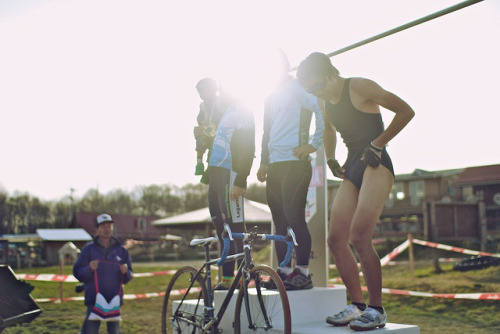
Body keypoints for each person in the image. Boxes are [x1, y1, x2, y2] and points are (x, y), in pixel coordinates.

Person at [297, 52, 414, 331]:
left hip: (376, 163)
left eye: (317, 86)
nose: (315, 92)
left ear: (330, 73)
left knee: (360, 236)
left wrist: (378, 144)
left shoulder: (359, 86)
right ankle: (357, 305)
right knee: (336, 238)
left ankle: (377, 309)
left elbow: (406, 111)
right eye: (310, 90)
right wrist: (330, 159)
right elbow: (327, 129)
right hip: (352, 166)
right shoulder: (324, 99)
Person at [256, 50, 324, 290]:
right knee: (279, 222)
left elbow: (320, 109)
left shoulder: (298, 88)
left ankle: (303, 273)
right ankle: (284, 273)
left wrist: (313, 145)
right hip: (274, 165)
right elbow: (266, 129)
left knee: (295, 218)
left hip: (296, 164)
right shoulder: (269, 94)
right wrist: (263, 161)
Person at [208, 96, 255, 289]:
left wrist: (241, 177)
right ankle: (227, 279)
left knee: (235, 229)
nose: (219, 94)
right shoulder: (225, 112)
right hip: (216, 174)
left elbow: (249, 145)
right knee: (221, 229)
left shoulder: (243, 109)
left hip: (231, 173)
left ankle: (247, 274)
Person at [73, 213, 133, 334]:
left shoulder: (121, 250)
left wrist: (126, 272)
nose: (106, 229)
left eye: (109, 226)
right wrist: (89, 268)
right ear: (97, 229)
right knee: (90, 331)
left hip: (114, 300)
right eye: (103, 226)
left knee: (114, 331)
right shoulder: (88, 249)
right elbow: (77, 272)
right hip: (94, 300)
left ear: (112, 228)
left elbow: (129, 275)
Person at [193, 77, 225, 184]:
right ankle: (199, 162)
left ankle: (209, 170)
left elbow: (224, 115)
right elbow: (200, 117)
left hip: (217, 132)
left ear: (212, 89)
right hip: (207, 130)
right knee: (200, 141)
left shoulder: (220, 101)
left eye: (202, 91)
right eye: (199, 92)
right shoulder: (202, 105)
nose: (201, 94)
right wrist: (201, 123)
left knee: (213, 149)